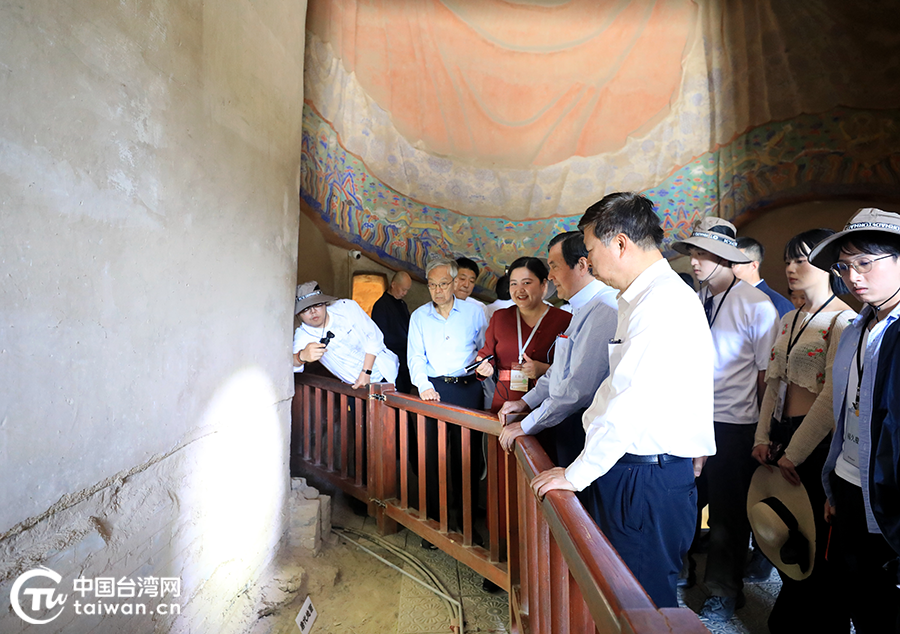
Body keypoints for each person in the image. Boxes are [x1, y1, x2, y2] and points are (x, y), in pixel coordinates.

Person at [531, 192, 716, 610]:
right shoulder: (641, 298)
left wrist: (576, 475)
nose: (588, 261)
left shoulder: (661, 303)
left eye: (590, 249)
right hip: (638, 470)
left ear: (619, 243)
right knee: (619, 596)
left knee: (639, 606)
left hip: (644, 478)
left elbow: (629, 403)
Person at [673, 218, 779, 622]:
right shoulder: (697, 297)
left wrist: (762, 431)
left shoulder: (755, 304)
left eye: (703, 254)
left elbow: (766, 375)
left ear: (726, 258)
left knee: (727, 514)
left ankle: (724, 591)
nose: (695, 261)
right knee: (684, 499)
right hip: (691, 417)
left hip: (734, 423)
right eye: (693, 253)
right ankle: (683, 568)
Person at [750, 229, 855, 633]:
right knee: (788, 532)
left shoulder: (843, 320)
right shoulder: (790, 318)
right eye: (788, 260)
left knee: (817, 544)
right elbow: (773, 382)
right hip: (783, 436)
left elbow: (831, 397)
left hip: (817, 444)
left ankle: (817, 621)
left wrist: (796, 451)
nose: (791, 268)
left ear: (828, 264)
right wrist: (762, 438)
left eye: (801, 260)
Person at [808, 207, 900, 632]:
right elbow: (846, 410)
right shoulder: (855, 328)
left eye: (865, 262)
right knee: (860, 595)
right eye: (845, 266)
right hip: (850, 481)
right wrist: (836, 485)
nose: (853, 276)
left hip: (891, 492)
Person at [497, 232, 618, 472]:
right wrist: (525, 402)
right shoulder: (581, 307)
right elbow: (560, 371)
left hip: (584, 425)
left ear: (582, 265)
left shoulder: (605, 308)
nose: (550, 276)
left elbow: (578, 388)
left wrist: (527, 424)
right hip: (567, 420)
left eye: (554, 266)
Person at [407, 258, 488, 544]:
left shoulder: (474, 312)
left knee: (466, 458)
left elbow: (485, 349)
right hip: (433, 390)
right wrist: (424, 386)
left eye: (443, 284)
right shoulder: (419, 316)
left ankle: (466, 524)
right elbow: (415, 356)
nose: (438, 290)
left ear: (454, 283)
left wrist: (484, 366)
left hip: (467, 389)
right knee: (431, 457)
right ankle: (434, 523)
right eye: (432, 285)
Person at [474, 257, 571, 412]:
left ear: (543, 285)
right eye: (513, 284)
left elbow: (573, 367)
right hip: (505, 403)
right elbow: (486, 355)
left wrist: (545, 369)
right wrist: (483, 367)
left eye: (526, 283)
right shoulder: (500, 317)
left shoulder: (564, 320)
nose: (519, 289)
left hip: (546, 403)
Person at [293, 281, 399, 386]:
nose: (313, 311)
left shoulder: (345, 308)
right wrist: (301, 357)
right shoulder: (303, 335)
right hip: (357, 385)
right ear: (298, 314)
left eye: (317, 304)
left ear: (325, 303)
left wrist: (366, 372)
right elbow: (290, 365)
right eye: (305, 309)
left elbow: (374, 336)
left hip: (387, 371)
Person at [371, 271, 413, 393]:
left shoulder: (402, 304)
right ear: (393, 284)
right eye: (403, 289)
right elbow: (381, 336)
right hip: (391, 358)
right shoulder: (381, 306)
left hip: (405, 357)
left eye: (407, 290)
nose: (405, 293)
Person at [733, 237, 795, 317]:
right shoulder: (728, 298)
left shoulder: (778, 303)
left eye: (734, 263)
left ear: (754, 266)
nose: (728, 268)